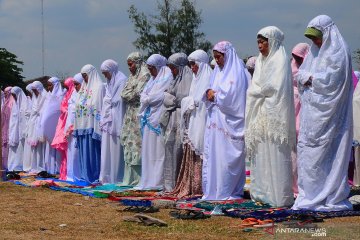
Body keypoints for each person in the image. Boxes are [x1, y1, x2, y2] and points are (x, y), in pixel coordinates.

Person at [292, 15, 353, 211]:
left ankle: (330, 194)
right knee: (310, 155)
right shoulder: (315, 53)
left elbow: (332, 82)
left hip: (332, 117)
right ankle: (310, 194)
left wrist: (308, 78)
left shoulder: (338, 52)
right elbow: (300, 75)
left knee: (329, 153)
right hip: (312, 117)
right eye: (312, 39)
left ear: (326, 34)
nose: (315, 42)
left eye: (317, 37)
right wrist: (305, 78)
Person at [246, 26, 295, 207]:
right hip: (261, 113)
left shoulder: (280, 60)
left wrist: (257, 91)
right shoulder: (260, 61)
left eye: (263, 42)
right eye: (258, 42)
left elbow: (274, 88)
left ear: (272, 42)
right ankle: (262, 194)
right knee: (261, 153)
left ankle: (279, 196)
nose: (259, 46)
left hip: (275, 114)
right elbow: (256, 86)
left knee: (275, 152)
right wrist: (257, 92)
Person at [202, 41, 249, 200]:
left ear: (227, 55)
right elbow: (210, 89)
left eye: (219, 57)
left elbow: (233, 99)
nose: (217, 61)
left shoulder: (236, 73)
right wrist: (209, 92)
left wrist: (215, 95)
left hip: (230, 123)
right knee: (216, 156)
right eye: (215, 58)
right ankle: (215, 190)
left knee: (227, 158)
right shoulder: (217, 71)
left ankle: (228, 190)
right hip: (216, 122)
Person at [171, 49, 212, 198]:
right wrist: (188, 102)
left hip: (202, 123)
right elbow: (191, 99)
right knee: (190, 151)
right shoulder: (195, 80)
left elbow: (203, 103)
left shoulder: (208, 78)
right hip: (192, 121)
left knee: (200, 152)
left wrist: (189, 102)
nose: (192, 68)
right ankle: (190, 185)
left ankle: (199, 186)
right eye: (190, 65)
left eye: (194, 64)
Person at [136, 54, 173, 190]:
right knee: (148, 151)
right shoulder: (152, 80)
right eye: (149, 68)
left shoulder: (167, 77)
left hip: (158, 119)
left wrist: (147, 98)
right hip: (148, 118)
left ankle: (158, 181)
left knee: (158, 152)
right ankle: (148, 179)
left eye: (152, 68)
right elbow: (143, 96)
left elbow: (160, 97)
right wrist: (147, 98)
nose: (150, 71)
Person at [161, 53, 193, 192]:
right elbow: (167, 95)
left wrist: (170, 98)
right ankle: (169, 183)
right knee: (169, 146)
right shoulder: (174, 80)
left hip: (181, 117)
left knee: (179, 148)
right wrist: (168, 98)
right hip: (172, 118)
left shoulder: (187, 78)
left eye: (173, 68)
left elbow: (182, 98)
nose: (172, 71)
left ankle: (177, 182)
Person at [121, 52, 150, 186]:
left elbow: (138, 93)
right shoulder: (132, 76)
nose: (129, 67)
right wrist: (130, 92)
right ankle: (129, 178)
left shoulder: (145, 74)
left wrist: (130, 92)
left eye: (131, 64)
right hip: (130, 113)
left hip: (139, 113)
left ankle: (139, 179)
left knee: (138, 144)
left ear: (137, 62)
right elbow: (124, 93)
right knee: (129, 143)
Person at [74, 64, 105, 184]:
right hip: (82, 126)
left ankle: (94, 176)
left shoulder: (99, 87)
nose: (85, 79)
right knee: (84, 153)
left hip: (92, 126)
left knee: (92, 153)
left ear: (91, 74)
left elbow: (99, 107)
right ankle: (84, 175)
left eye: (85, 76)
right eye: (83, 77)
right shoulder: (83, 90)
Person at [99, 59, 128, 184]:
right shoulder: (110, 82)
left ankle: (116, 177)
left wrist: (108, 101)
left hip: (117, 117)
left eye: (106, 72)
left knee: (116, 149)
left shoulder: (121, 80)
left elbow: (118, 100)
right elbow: (108, 98)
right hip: (108, 118)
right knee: (107, 149)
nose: (105, 76)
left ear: (112, 70)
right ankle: (106, 176)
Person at [51, 77, 75, 180]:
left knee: (69, 148)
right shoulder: (67, 94)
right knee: (64, 150)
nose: (66, 88)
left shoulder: (75, 93)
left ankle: (69, 172)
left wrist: (66, 110)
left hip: (70, 121)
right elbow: (63, 105)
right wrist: (64, 109)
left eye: (67, 86)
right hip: (64, 121)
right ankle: (64, 172)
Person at [41, 77, 64, 175]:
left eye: (50, 85)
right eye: (47, 85)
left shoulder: (61, 95)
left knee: (57, 147)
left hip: (58, 125)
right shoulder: (49, 96)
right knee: (49, 147)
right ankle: (50, 168)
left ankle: (58, 168)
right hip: (50, 126)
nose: (48, 87)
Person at [64, 73, 83, 182]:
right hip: (69, 126)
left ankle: (78, 175)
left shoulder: (83, 95)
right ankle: (71, 175)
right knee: (70, 151)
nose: (75, 87)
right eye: (74, 84)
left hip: (77, 126)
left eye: (77, 84)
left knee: (76, 152)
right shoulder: (74, 94)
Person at [28, 81, 48, 173]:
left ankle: (41, 166)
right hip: (34, 123)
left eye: (35, 90)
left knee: (41, 146)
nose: (34, 92)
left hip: (41, 123)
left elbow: (45, 110)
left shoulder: (45, 96)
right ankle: (35, 166)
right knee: (35, 147)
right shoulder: (35, 98)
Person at [7, 87, 27, 171]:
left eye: (15, 95)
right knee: (13, 151)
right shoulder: (15, 105)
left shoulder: (24, 104)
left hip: (21, 132)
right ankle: (12, 167)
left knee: (20, 150)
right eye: (13, 95)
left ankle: (19, 167)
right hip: (14, 132)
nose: (14, 97)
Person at [1, 87, 14, 170]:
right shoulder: (5, 102)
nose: (5, 94)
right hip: (4, 126)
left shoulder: (11, 102)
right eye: (4, 93)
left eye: (6, 93)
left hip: (10, 126)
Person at [22, 83, 34, 172]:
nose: (29, 93)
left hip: (33, 125)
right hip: (28, 125)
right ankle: (28, 165)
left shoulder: (37, 100)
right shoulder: (28, 100)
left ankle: (32, 165)